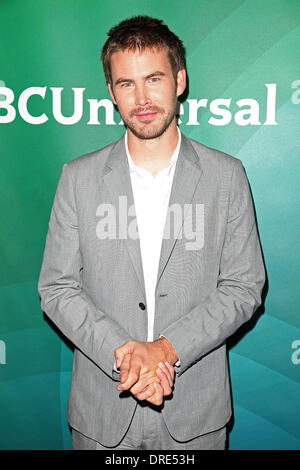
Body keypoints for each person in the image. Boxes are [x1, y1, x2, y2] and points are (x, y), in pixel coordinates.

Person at [38, 15, 265, 450]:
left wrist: (168, 348)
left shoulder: (226, 176)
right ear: (111, 92)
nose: (141, 98)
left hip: (196, 413)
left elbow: (243, 285)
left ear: (179, 80)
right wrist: (124, 354)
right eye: (126, 84)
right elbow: (57, 288)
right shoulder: (78, 178)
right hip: (101, 413)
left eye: (154, 78)